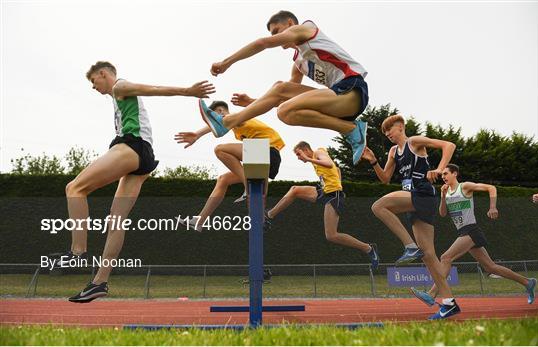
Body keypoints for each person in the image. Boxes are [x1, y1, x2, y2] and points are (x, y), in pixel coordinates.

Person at [59, 61, 215, 303]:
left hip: (132, 146)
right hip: (143, 157)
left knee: (75, 188)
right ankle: (99, 282)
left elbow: (153, 88)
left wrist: (188, 91)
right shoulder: (118, 97)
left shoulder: (120, 86)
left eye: (93, 81)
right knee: (116, 220)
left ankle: (77, 252)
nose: (93, 87)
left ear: (103, 73)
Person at [197, 10, 369, 165]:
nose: (275, 37)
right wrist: (253, 102)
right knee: (285, 111)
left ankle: (227, 122)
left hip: (353, 89)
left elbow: (263, 43)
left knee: (281, 89)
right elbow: (286, 99)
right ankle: (351, 129)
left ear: (289, 24)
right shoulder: (299, 63)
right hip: (338, 100)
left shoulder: (304, 29)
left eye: (276, 31)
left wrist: (226, 62)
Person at [361, 114, 459, 320]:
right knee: (428, 255)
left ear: (401, 127)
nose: (387, 133)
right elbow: (385, 179)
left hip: (422, 194)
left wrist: (440, 169)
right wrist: (373, 162)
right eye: (385, 132)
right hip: (413, 200)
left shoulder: (414, 142)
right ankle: (449, 303)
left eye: (390, 129)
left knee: (378, 206)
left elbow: (449, 145)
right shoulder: (393, 152)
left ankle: (409, 245)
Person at [410, 164, 537, 305]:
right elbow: (443, 213)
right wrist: (443, 196)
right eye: (442, 175)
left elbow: (491, 188)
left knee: (446, 257)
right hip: (463, 231)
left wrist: (493, 207)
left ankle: (431, 294)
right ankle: (528, 282)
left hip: (471, 230)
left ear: (455, 174)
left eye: (446, 174)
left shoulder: (465, 187)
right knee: (490, 267)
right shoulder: (447, 192)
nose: (443, 177)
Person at [264, 141, 379, 269]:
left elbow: (329, 164)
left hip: (333, 194)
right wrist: (337, 182)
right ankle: (269, 215)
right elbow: (337, 169)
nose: (299, 157)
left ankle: (368, 248)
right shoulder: (314, 160)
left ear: (306, 149)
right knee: (295, 189)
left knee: (331, 235)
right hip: (325, 191)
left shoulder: (319, 152)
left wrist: (309, 159)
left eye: (299, 154)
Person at [175, 99, 284, 230]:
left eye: (215, 118)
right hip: (260, 155)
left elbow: (224, 119)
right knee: (224, 180)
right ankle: (200, 221)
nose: (215, 123)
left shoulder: (239, 118)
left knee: (220, 149)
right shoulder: (237, 125)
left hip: (266, 150)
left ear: (220, 112)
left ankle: (247, 185)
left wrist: (198, 134)